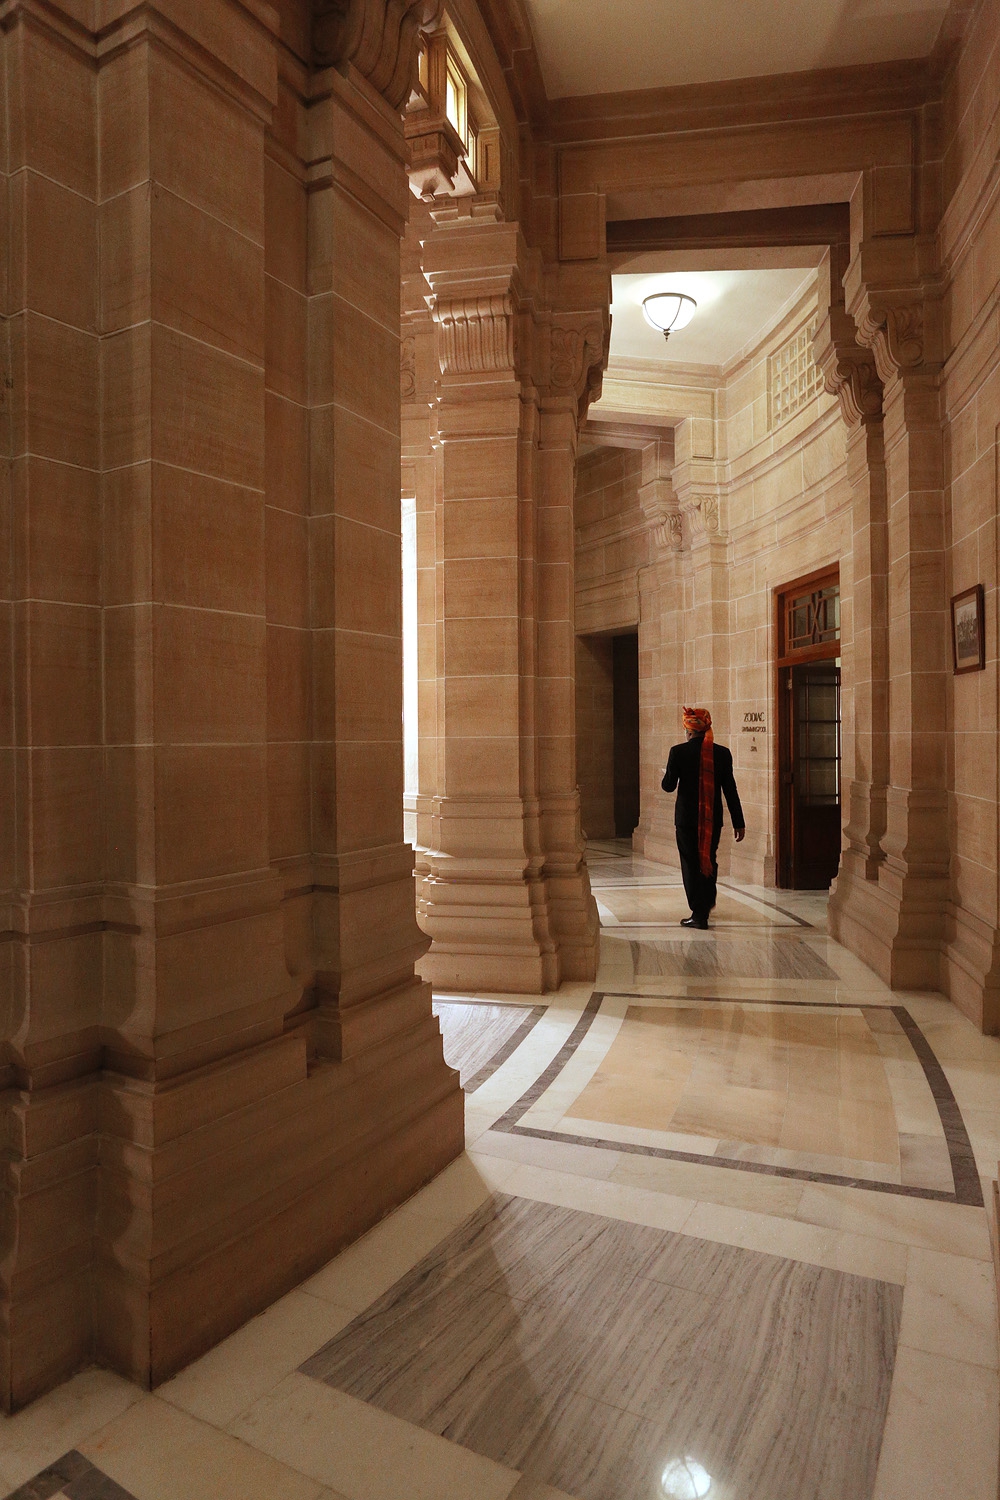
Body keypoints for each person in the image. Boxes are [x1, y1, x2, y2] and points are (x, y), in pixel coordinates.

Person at [661, 707, 745, 929]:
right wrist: (739, 822)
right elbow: (730, 789)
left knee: (690, 864)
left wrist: (668, 772)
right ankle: (705, 905)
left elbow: (668, 787)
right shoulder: (722, 753)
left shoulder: (677, 752)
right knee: (708, 859)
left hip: (686, 820)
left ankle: (698, 913)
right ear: (706, 727)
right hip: (711, 820)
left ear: (688, 730)